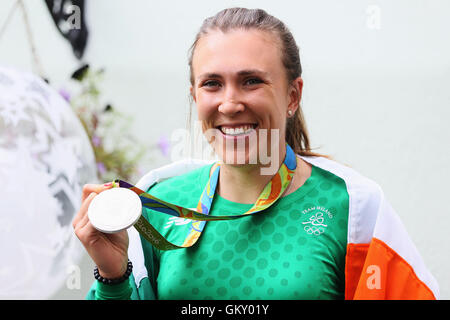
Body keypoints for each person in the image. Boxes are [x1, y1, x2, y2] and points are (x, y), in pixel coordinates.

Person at [73, 7, 439, 300]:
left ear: (292, 95)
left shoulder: (353, 208)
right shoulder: (159, 203)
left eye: (251, 81)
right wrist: (113, 275)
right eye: (212, 84)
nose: (230, 104)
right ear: (196, 96)